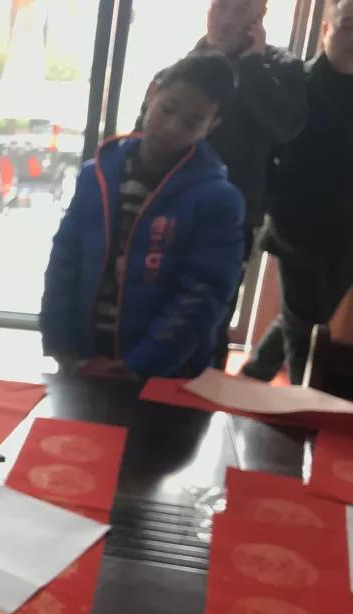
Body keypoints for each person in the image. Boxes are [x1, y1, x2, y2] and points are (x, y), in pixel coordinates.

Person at [40, 53, 245, 380]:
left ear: (212, 126)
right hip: (83, 356)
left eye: (192, 123)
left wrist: (141, 365)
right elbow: (65, 258)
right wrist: (58, 339)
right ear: (152, 93)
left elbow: (203, 294)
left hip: (164, 371)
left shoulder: (218, 200)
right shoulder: (97, 175)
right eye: (168, 109)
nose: (172, 127)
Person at [143, 0, 307, 368]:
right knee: (149, 312)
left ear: (258, 18)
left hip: (229, 221)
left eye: (241, 9)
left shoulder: (280, 67)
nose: (227, 18)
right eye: (221, 6)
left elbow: (285, 127)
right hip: (162, 211)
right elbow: (145, 131)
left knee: (207, 323)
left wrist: (251, 65)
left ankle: (197, 398)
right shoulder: (184, 67)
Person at [242, 0, 353, 384]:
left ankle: (255, 373)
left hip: (348, 235)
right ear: (326, 30)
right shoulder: (297, 83)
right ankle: (303, 401)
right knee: (306, 332)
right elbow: (267, 145)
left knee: (304, 316)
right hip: (296, 227)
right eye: (347, 26)